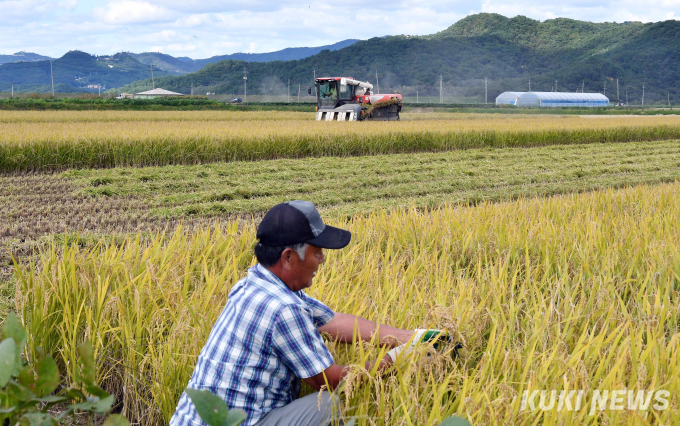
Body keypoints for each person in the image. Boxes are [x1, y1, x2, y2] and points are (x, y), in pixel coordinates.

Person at [170, 201, 446, 426]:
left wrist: (414, 338)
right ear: (289, 257)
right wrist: (394, 359)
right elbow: (331, 380)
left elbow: (333, 322)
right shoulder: (284, 309)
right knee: (326, 405)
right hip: (233, 422)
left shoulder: (255, 283)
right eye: (317, 253)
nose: (322, 260)